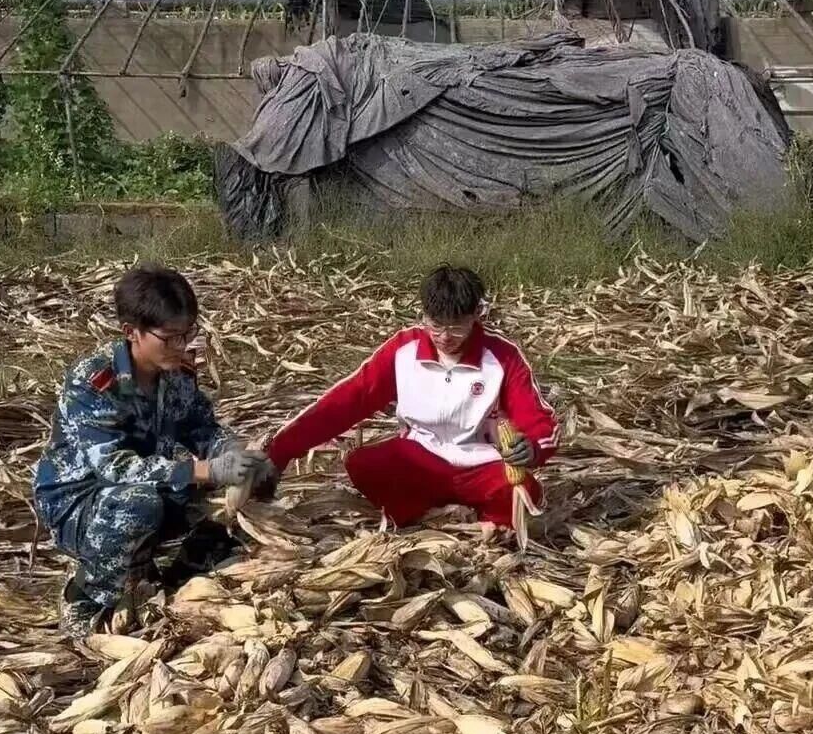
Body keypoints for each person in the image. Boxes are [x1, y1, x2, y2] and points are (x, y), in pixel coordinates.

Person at [35, 265, 274, 636]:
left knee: (250, 484)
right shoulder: (94, 380)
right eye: (170, 337)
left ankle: (183, 572)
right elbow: (113, 467)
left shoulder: (177, 373)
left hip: (151, 485)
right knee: (139, 503)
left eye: (187, 334)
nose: (181, 346)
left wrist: (233, 452)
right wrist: (207, 470)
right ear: (131, 332)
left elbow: (200, 428)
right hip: (81, 503)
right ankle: (84, 595)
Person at [266, 265, 557, 530]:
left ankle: (484, 525)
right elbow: (346, 401)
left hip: (481, 465)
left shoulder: (503, 357)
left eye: (456, 326)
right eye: (436, 324)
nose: (445, 336)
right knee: (362, 464)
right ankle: (423, 514)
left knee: (524, 494)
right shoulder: (404, 350)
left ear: (475, 315)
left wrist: (532, 448)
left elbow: (538, 420)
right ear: (424, 315)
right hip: (420, 460)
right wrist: (281, 450)